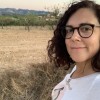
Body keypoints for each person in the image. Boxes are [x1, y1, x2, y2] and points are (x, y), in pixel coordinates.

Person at [47, 0, 100, 100]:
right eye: (69, 30)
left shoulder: (97, 86)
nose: (74, 37)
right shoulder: (78, 70)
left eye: (86, 28)